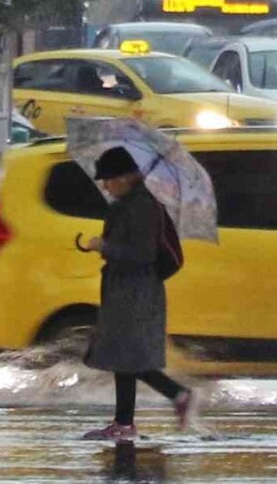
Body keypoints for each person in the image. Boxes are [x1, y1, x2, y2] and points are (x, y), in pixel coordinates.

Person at [80, 147, 196, 441]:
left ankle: (176, 395)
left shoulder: (143, 206)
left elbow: (143, 254)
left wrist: (104, 247)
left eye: (108, 179)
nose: (105, 186)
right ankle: (125, 423)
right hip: (123, 289)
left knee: (128, 357)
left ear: (125, 177)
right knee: (124, 356)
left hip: (136, 291)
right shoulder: (128, 204)